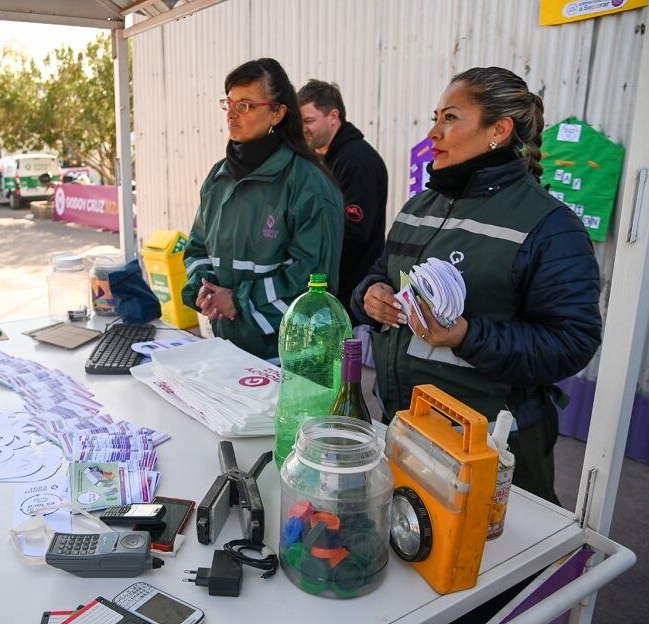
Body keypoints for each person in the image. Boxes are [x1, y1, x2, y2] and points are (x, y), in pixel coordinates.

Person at [351, 67, 602, 503]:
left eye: (450, 118)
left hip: (490, 448)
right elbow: (381, 272)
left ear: (498, 131)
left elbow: (572, 342)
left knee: (495, 566)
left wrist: (468, 335)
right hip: (405, 424)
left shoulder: (549, 226)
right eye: (436, 117)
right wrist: (370, 295)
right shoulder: (419, 206)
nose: (433, 132)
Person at [181, 58, 344, 360]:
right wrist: (206, 291)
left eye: (245, 105)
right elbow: (196, 248)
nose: (231, 114)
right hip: (228, 349)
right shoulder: (218, 178)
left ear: (278, 113)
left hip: (291, 361)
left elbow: (313, 280)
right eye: (228, 103)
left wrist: (240, 302)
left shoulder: (309, 184)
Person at [298, 80, 388, 320]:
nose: (302, 128)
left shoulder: (357, 162)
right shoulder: (321, 159)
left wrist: (305, 245)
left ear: (333, 116)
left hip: (352, 295)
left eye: (308, 120)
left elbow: (354, 231)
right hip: (329, 288)